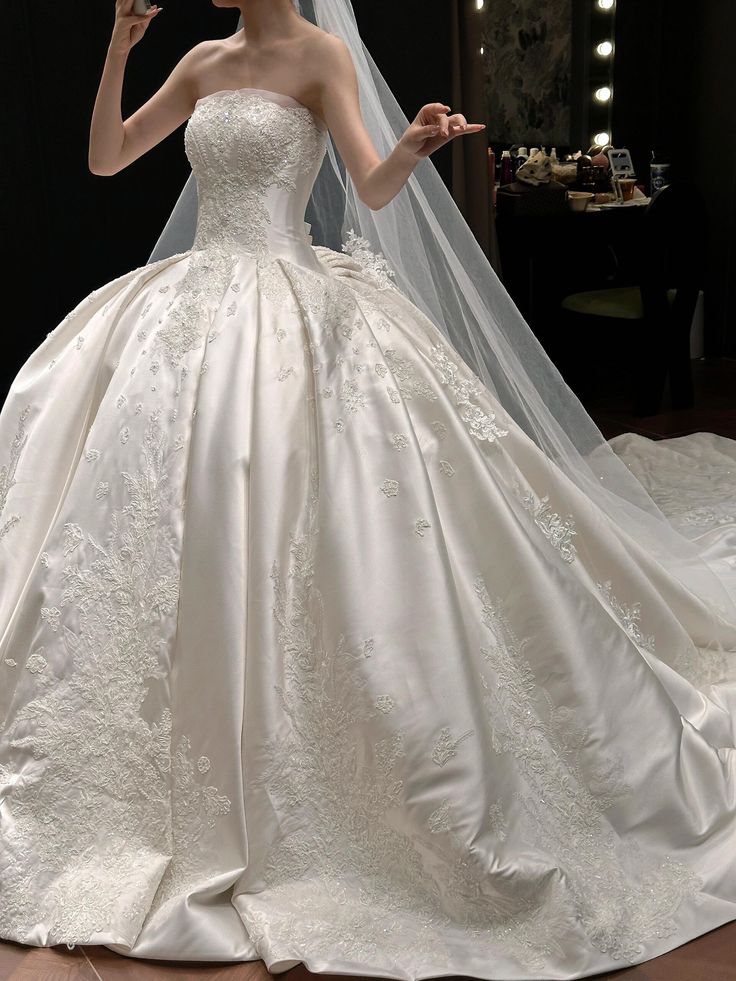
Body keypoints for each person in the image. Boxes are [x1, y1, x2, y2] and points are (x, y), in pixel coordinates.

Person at [1, 1, 735, 978]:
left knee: (314, 517)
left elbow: (372, 187)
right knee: (153, 508)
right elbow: (107, 158)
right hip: (191, 308)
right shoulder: (201, 58)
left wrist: (415, 146)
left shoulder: (320, 55)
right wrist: (117, 52)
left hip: (291, 310)